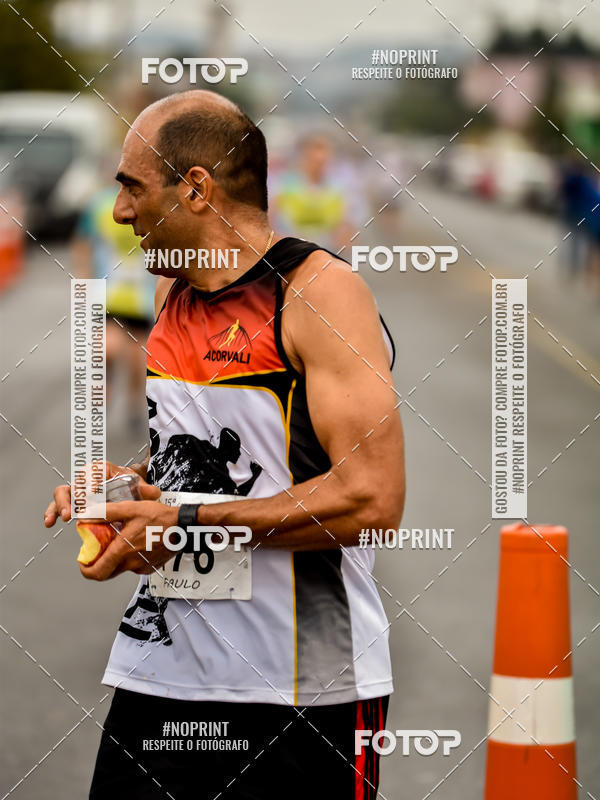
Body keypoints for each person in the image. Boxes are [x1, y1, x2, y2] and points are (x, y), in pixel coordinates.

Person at [45, 90, 405, 800]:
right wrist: (123, 498)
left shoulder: (320, 294)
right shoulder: (173, 297)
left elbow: (371, 497)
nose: (120, 212)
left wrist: (183, 521)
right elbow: (199, 462)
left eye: (132, 187)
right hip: (163, 677)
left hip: (301, 692)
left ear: (197, 189)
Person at [73, 178, 156, 430]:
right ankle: (102, 395)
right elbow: (82, 240)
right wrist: (83, 277)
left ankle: (133, 403)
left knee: (136, 359)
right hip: (108, 293)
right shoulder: (99, 205)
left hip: (141, 298)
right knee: (105, 348)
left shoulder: (151, 206)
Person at [270, 133, 367, 252]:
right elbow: (267, 227)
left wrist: (344, 235)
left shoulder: (339, 188)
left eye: (325, 155)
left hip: (330, 255)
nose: (320, 160)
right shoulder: (283, 185)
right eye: (313, 156)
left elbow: (350, 232)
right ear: (303, 156)